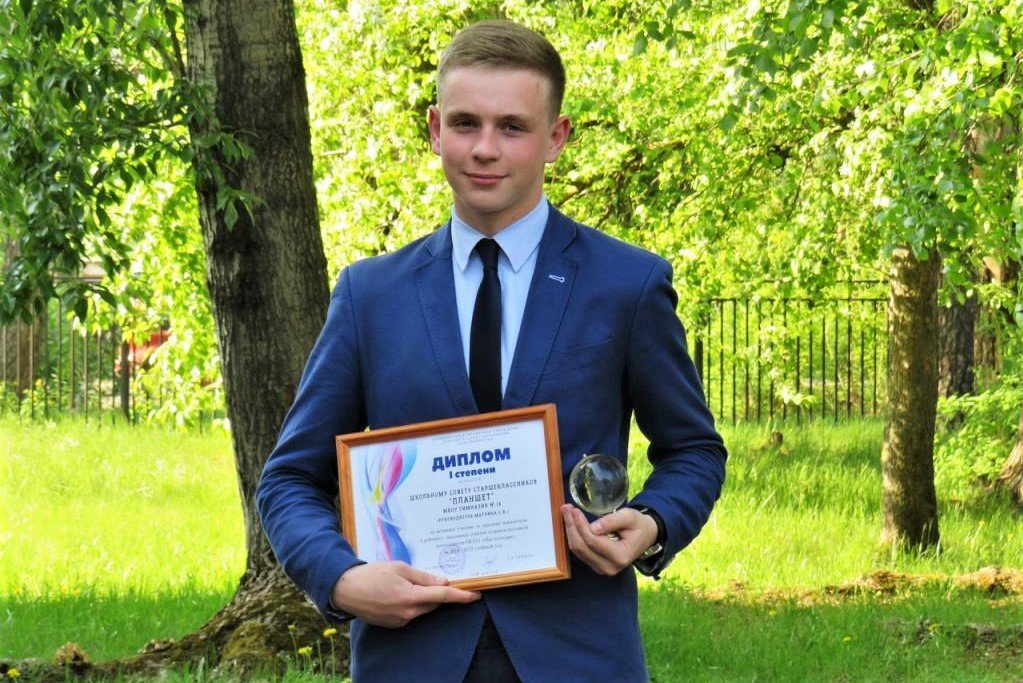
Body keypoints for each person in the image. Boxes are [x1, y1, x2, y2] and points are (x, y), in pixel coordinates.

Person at [256, 19, 726, 683]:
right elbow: (289, 479)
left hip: (578, 655)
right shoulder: (371, 294)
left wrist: (652, 520)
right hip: (410, 658)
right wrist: (340, 577)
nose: (484, 148)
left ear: (555, 137)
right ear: (434, 129)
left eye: (512, 126)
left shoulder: (626, 283)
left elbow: (694, 450)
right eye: (465, 123)